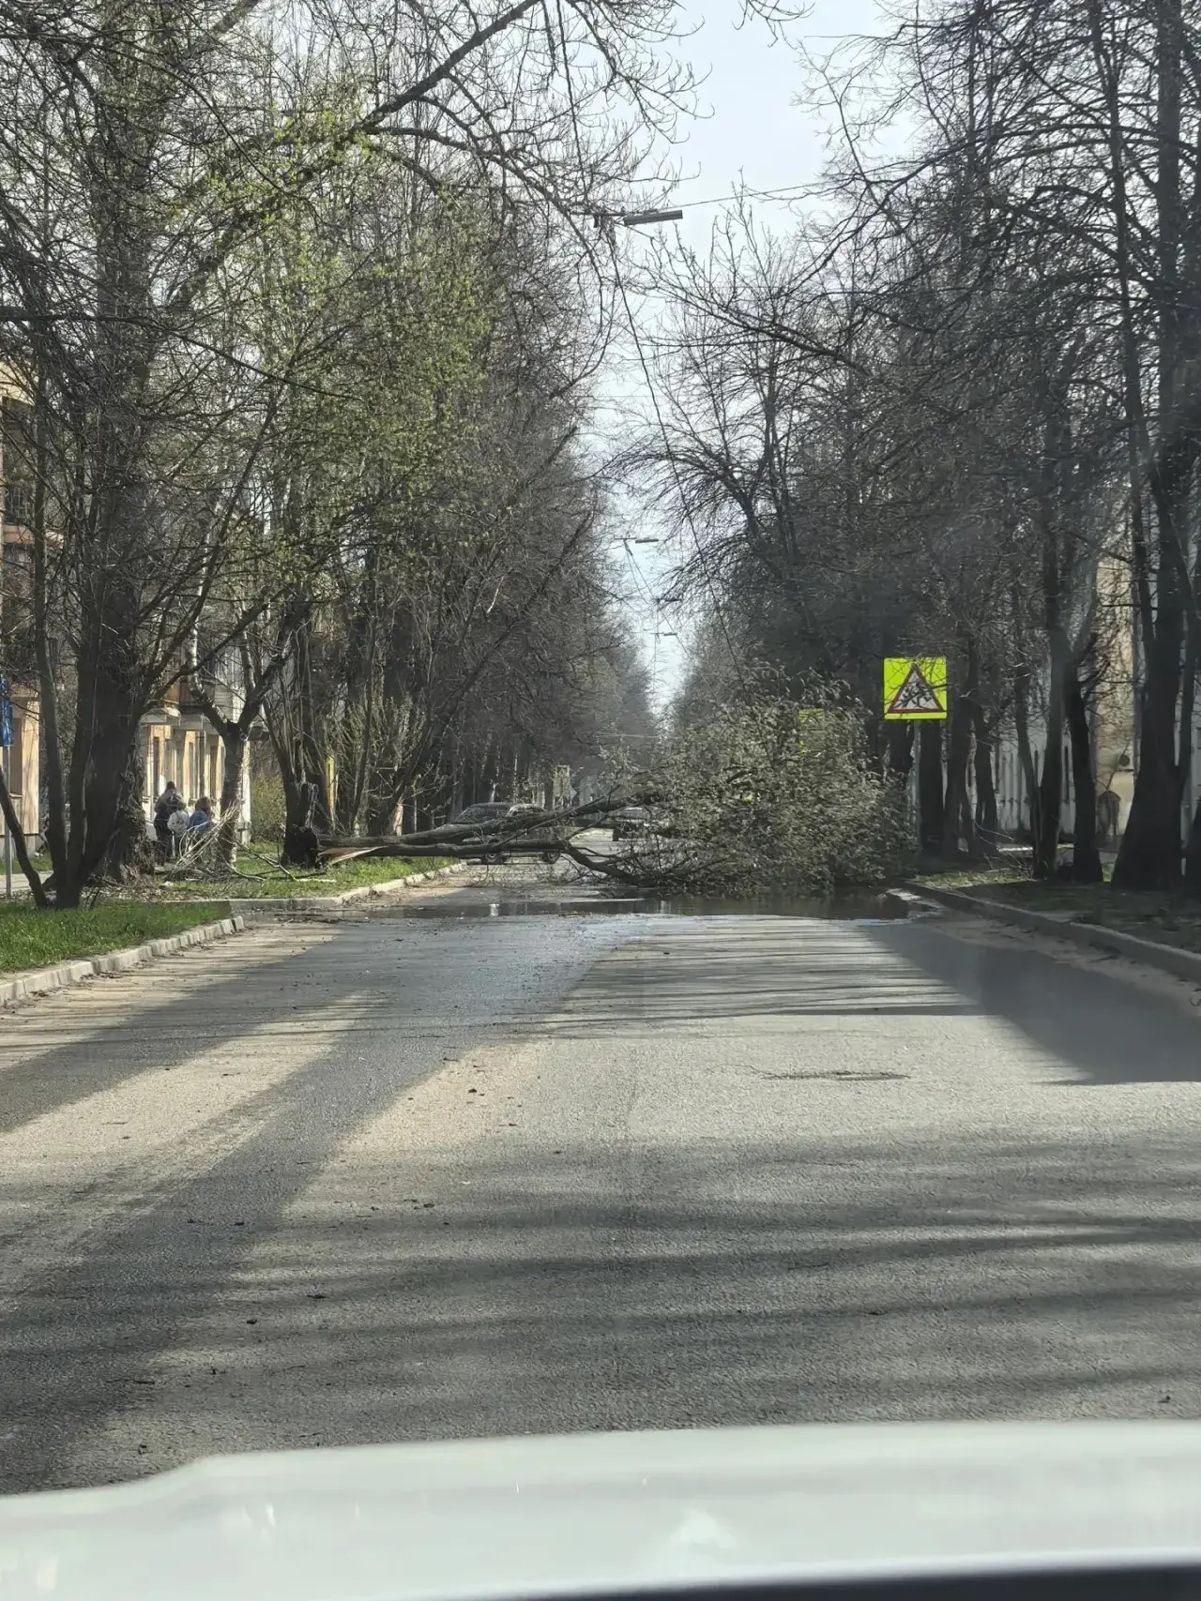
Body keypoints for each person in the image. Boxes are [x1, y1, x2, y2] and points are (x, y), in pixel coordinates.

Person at [153, 781, 186, 860]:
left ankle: (167, 855)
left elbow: (156, 808)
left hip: (164, 819)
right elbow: (184, 807)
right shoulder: (179, 795)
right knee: (179, 837)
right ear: (174, 787)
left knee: (166, 837)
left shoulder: (163, 796)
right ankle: (179, 855)